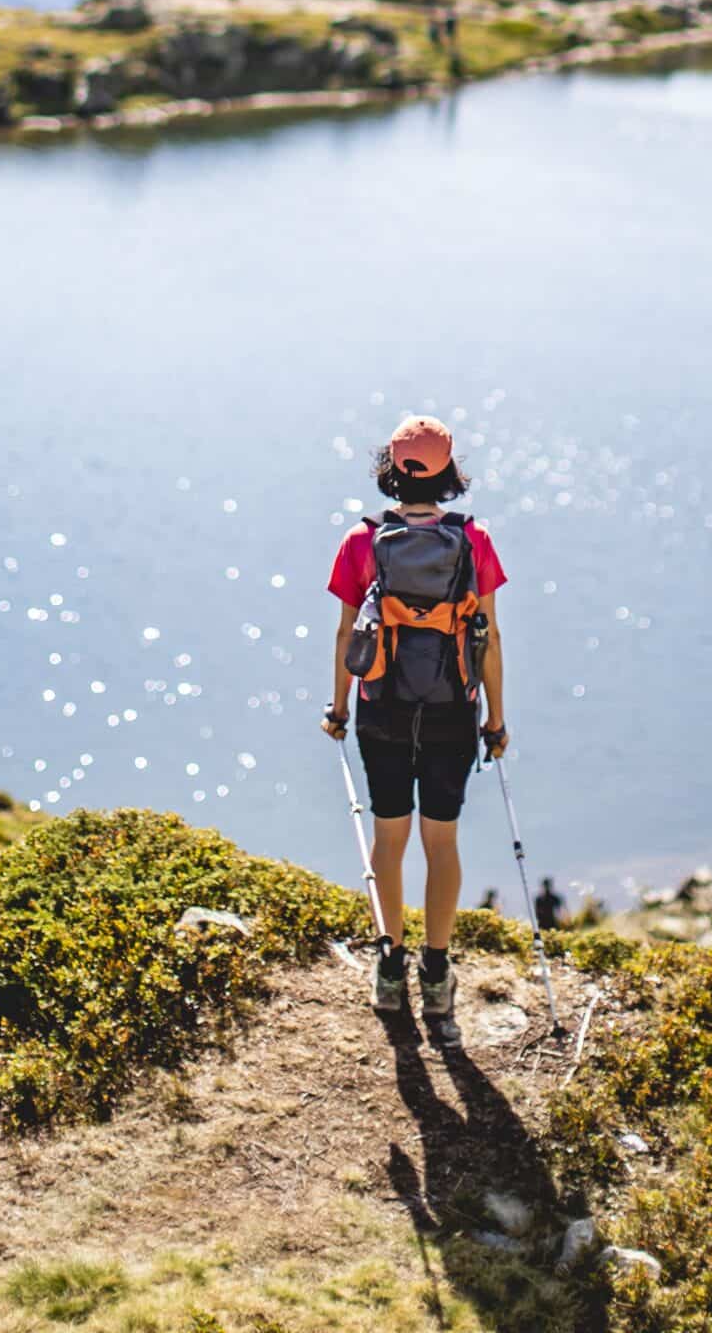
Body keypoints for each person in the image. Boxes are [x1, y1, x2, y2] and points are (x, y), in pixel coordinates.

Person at [323, 413, 507, 1021]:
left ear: (391, 470)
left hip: (384, 709)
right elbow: (490, 637)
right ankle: (435, 969)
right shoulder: (473, 539)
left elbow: (350, 631)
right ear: (450, 471)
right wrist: (495, 721)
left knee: (389, 839)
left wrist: (339, 707)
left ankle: (388, 962)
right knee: (442, 841)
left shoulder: (361, 540)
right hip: (454, 708)